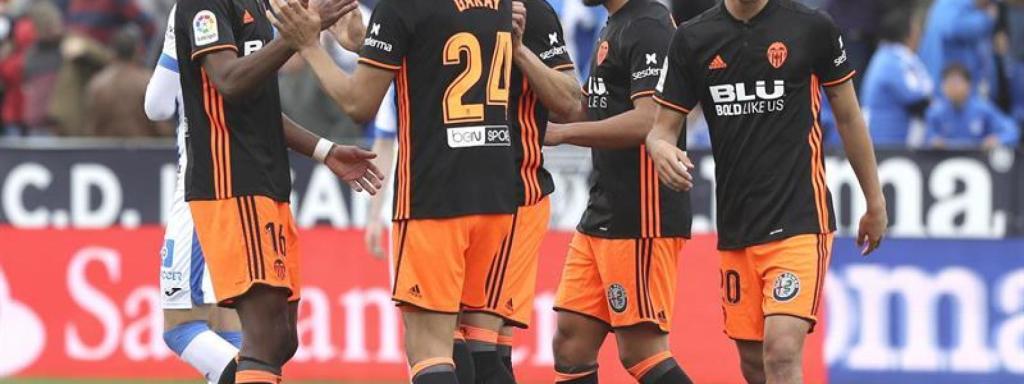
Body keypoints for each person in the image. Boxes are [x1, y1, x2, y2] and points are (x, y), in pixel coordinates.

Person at [267, 0, 519, 382]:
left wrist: (308, 46)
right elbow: (431, 47)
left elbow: (358, 103)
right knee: (478, 342)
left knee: (429, 349)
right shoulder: (499, 4)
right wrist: (365, 45)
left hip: (436, 193)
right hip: (497, 189)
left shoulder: (401, 6)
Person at [647, 0, 888, 383]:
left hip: (800, 216)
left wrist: (874, 202)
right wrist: (660, 148)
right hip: (737, 224)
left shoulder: (811, 27)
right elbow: (661, 128)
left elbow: (848, 116)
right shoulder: (693, 38)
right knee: (754, 363)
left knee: (781, 351)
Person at [172, 1, 379, 383]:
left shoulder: (258, 5)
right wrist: (296, 38)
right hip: (231, 180)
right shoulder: (206, 5)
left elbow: (258, 103)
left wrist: (325, 150)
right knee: (264, 338)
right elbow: (229, 82)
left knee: (282, 339)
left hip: (267, 181)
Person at [541, 0, 694, 381]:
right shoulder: (616, 24)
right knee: (571, 341)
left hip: (642, 209)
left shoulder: (649, 25)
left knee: (641, 350)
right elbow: (595, 109)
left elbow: (650, 121)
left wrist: (561, 135)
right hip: (605, 206)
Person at [861, 9, 933, 148]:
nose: (920, 33)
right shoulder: (893, 61)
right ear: (907, 33)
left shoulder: (890, 56)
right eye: (916, 27)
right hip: (888, 143)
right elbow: (919, 101)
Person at [86, 26, 170, 137]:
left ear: (113, 52)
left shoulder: (97, 85)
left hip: (106, 151)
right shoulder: (147, 82)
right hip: (144, 151)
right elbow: (162, 129)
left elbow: (91, 129)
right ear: (137, 52)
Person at [926, 63, 1021, 149]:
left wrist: (998, 140)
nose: (952, 87)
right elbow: (926, 140)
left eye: (956, 82)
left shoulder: (983, 109)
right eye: (948, 82)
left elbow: (1012, 132)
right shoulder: (935, 113)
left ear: (968, 85)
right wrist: (934, 143)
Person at [919, 0, 998, 95]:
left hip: (962, 83)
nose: (990, 6)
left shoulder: (974, 10)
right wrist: (986, 19)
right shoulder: (952, 3)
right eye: (990, 2)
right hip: (943, 81)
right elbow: (953, 28)